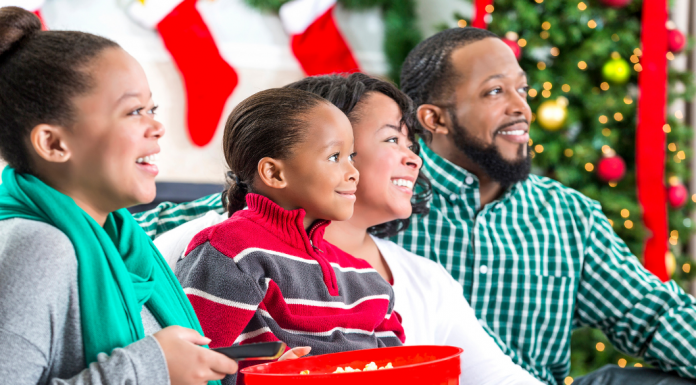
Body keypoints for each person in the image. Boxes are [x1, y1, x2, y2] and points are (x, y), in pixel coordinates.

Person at [153, 73, 542, 385]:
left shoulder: (371, 279)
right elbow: (191, 364)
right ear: (274, 169)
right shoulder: (224, 245)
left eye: (412, 145)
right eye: (391, 139)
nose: (414, 160)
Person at [393, 27, 696, 384]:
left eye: (522, 90)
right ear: (435, 119)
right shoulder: (381, 203)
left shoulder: (567, 215)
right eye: (495, 92)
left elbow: (654, 314)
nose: (522, 108)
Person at [0, 6, 241, 385]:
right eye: (133, 111)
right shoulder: (39, 247)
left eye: (152, 108)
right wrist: (151, 366)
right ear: (53, 142)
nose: (157, 127)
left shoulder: (122, 240)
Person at [174, 87, 405, 385]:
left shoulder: (365, 277)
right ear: (274, 173)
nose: (353, 172)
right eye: (335, 157)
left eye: (352, 156)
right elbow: (193, 365)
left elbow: (400, 365)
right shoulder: (231, 251)